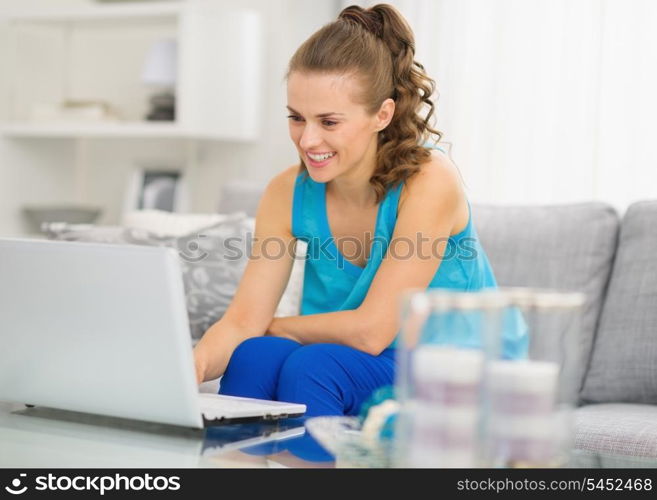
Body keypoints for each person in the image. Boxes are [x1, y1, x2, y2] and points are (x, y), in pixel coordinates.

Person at [193, 4, 526, 417]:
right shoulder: (285, 192)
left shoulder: (429, 182)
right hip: (352, 358)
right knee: (255, 356)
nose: (308, 139)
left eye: (329, 122)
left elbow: (372, 332)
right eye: (296, 118)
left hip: (457, 366)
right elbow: (243, 322)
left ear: (381, 115)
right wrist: (191, 367)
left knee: (312, 365)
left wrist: (274, 325)